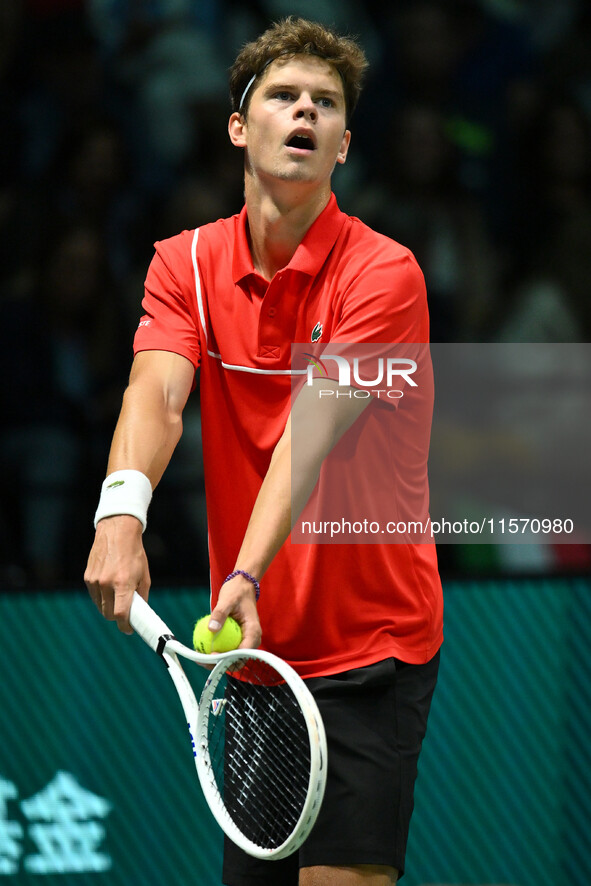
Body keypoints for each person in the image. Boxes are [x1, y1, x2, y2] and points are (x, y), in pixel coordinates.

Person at [85, 17, 443, 886]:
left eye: (324, 104)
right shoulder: (187, 264)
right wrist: (120, 512)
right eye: (283, 96)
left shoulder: (382, 274)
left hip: (369, 644)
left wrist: (241, 573)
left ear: (343, 144)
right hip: (254, 657)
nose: (304, 113)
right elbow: (157, 395)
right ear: (241, 126)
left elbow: (308, 437)